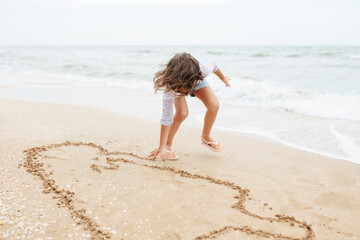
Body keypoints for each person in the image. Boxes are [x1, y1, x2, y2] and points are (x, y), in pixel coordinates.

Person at [149, 52, 231, 160]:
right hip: (177, 84)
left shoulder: (203, 68)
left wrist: (223, 78)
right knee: (182, 113)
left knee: (214, 105)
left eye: (186, 89)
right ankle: (167, 145)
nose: (186, 92)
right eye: (184, 89)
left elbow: (215, 66)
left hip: (196, 80)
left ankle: (206, 137)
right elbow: (166, 117)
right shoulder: (169, 86)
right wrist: (161, 145)